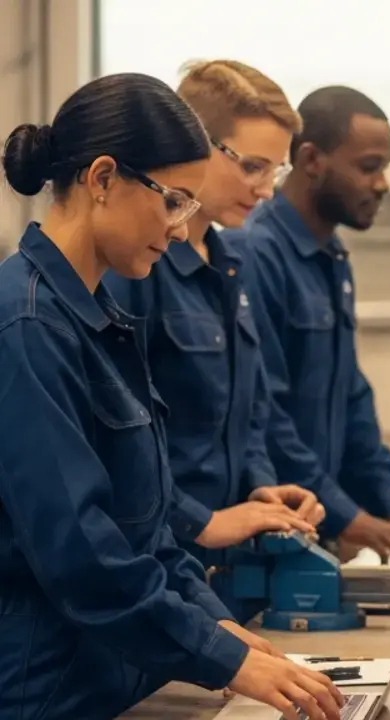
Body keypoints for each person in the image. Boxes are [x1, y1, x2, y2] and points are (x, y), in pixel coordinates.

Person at [0, 73, 344, 720]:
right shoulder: (25, 329)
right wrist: (220, 656)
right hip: (46, 694)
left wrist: (223, 632)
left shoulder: (100, 322)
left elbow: (148, 533)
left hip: (118, 683)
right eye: (174, 203)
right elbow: (85, 557)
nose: (182, 230)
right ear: (102, 179)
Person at [102, 60, 325, 620]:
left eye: (274, 171)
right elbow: (119, 447)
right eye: (252, 166)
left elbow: (248, 417)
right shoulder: (136, 270)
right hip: (159, 568)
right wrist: (200, 522)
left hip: (225, 573)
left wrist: (261, 490)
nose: (266, 191)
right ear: (195, 145)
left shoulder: (229, 265)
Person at [227, 86, 390, 564]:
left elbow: (351, 396)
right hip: (273, 532)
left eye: (386, 167)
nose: (382, 184)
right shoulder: (254, 254)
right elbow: (265, 413)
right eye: (369, 166)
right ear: (312, 159)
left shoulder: (332, 257)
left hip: (320, 530)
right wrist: (347, 516)